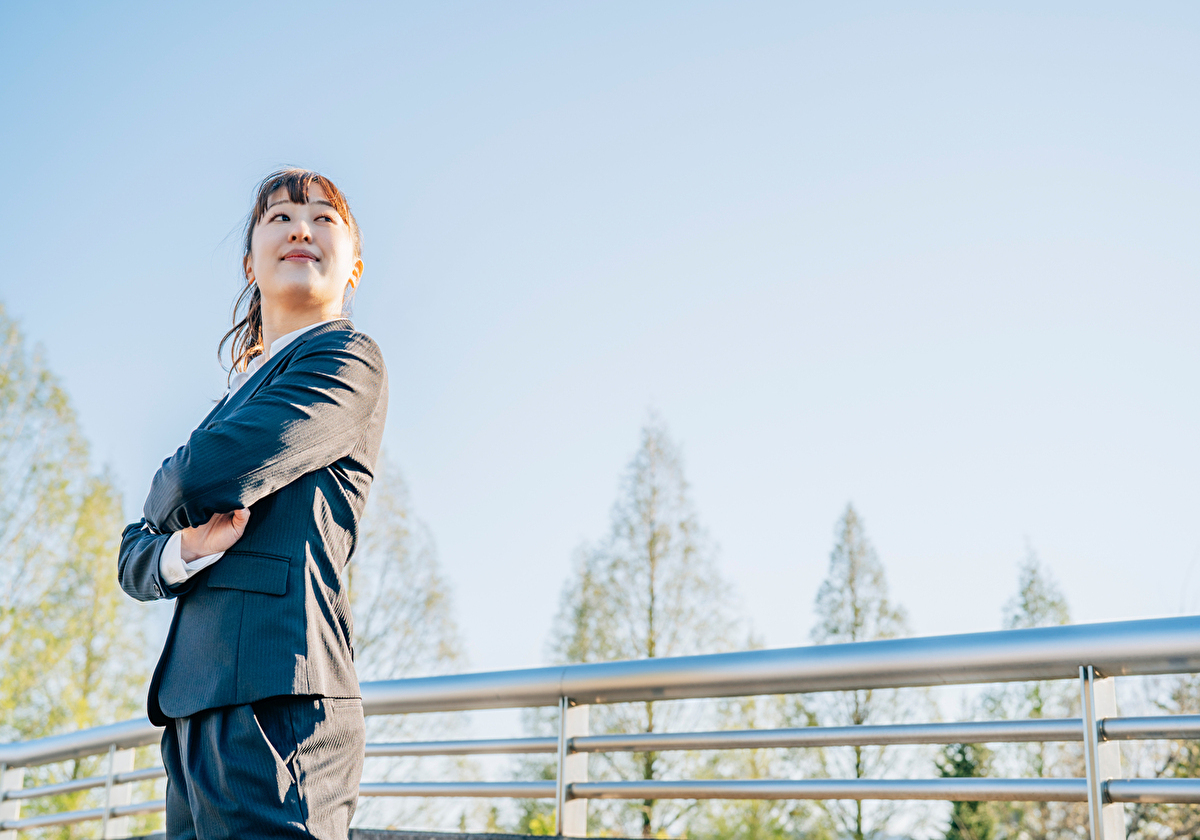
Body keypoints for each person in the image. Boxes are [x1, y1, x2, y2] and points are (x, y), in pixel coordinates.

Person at [118, 168, 388, 840]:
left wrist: (173, 492)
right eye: (281, 218)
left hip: (278, 706)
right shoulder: (236, 400)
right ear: (250, 263)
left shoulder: (344, 360)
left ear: (354, 265)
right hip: (193, 713)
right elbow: (132, 556)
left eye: (325, 218)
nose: (302, 227)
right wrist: (187, 547)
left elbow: (193, 480)